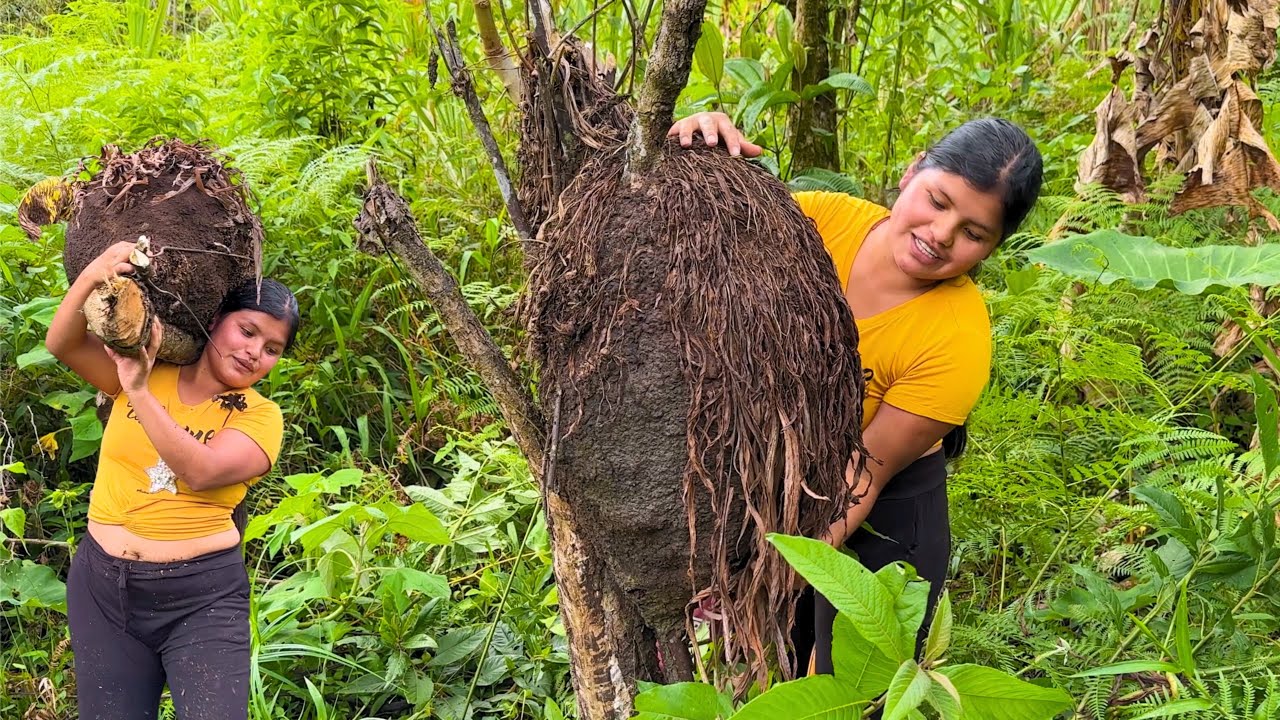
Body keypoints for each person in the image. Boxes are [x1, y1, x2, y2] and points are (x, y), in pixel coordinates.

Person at [669, 112, 1043, 674]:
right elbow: (701, 218)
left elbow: (863, 472)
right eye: (937, 201)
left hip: (883, 513)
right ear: (911, 171)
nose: (941, 236)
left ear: (994, 248)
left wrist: (772, 575)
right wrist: (695, 139)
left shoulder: (956, 342)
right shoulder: (821, 219)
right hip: (789, 475)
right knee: (777, 673)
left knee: (844, 688)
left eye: (973, 233)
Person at [47, 241, 299, 720]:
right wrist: (96, 274)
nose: (253, 353)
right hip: (102, 588)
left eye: (272, 350)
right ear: (218, 319)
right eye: (247, 331)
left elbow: (200, 471)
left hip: (200, 598)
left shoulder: (261, 417)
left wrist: (137, 388)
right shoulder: (147, 370)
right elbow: (62, 343)